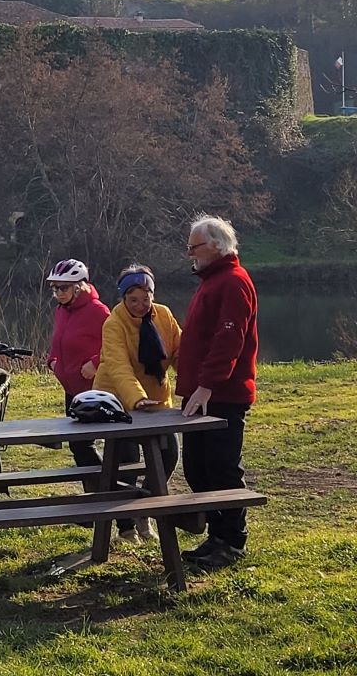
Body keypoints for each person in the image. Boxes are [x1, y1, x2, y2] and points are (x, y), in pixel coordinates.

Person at [176, 214, 258, 570]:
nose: (190, 254)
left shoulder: (233, 282)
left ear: (215, 246)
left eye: (194, 247)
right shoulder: (212, 281)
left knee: (222, 467)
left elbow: (229, 339)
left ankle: (232, 540)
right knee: (197, 466)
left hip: (221, 394)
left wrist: (207, 384)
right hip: (202, 391)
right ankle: (216, 534)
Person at [93, 264, 182, 544]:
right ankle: (126, 526)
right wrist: (136, 398)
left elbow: (179, 353)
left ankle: (145, 507)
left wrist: (195, 382)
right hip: (120, 401)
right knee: (127, 462)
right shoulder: (113, 323)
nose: (141, 305)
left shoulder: (164, 315)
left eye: (147, 298)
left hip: (156, 400)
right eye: (134, 300)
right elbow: (119, 367)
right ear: (123, 298)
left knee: (168, 455)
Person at [45, 259, 111, 485]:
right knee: (77, 444)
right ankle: (96, 497)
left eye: (63, 288)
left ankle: (105, 491)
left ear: (79, 286)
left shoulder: (98, 311)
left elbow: (116, 344)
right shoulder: (61, 311)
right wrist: (51, 361)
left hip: (92, 390)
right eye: (55, 288)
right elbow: (58, 341)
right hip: (70, 389)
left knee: (83, 444)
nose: (58, 293)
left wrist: (95, 362)